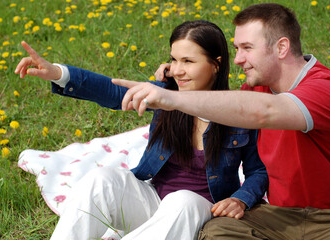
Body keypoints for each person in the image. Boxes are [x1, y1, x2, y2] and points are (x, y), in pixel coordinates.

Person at [112, 3, 330, 239]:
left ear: (281, 47)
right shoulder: (256, 89)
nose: (237, 59)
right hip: (279, 217)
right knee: (216, 230)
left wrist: (172, 97)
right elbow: (228, 105)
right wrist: (176, 78)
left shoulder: (328, 89)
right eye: (236, 48)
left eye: (247, 48)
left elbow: (263, 112)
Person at [15, 20, 268, 240]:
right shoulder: (165, 94)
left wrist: (241, 198)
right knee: (102, 179)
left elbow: (258, 171)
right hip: (154, 205)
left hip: (201, 214)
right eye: (174, 59)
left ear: (216, 64)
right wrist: (57, 73)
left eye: (188, 61)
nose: (178, 70)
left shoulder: (237, 111)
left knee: (182, 200)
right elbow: (112, 91)